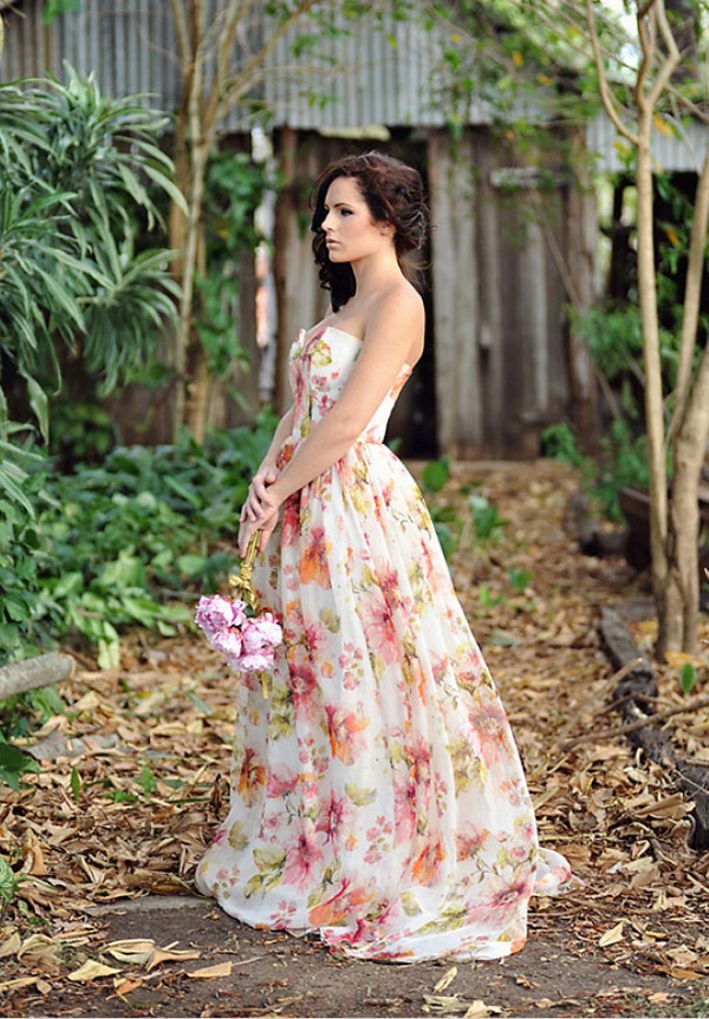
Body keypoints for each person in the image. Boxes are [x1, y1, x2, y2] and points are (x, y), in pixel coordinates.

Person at [195, 151, 581, 962]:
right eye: (325, 211)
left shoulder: (400, 302)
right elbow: (302, 411)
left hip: (351, 502)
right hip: (304, 495)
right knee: (311, 671)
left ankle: (380, 840)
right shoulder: (346, 301)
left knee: (364, 666)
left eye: (344, 211)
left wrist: (287, 486)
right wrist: (262, 488)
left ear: (387, 220)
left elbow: (345, 423)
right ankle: (314, 832)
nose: (326, 225)